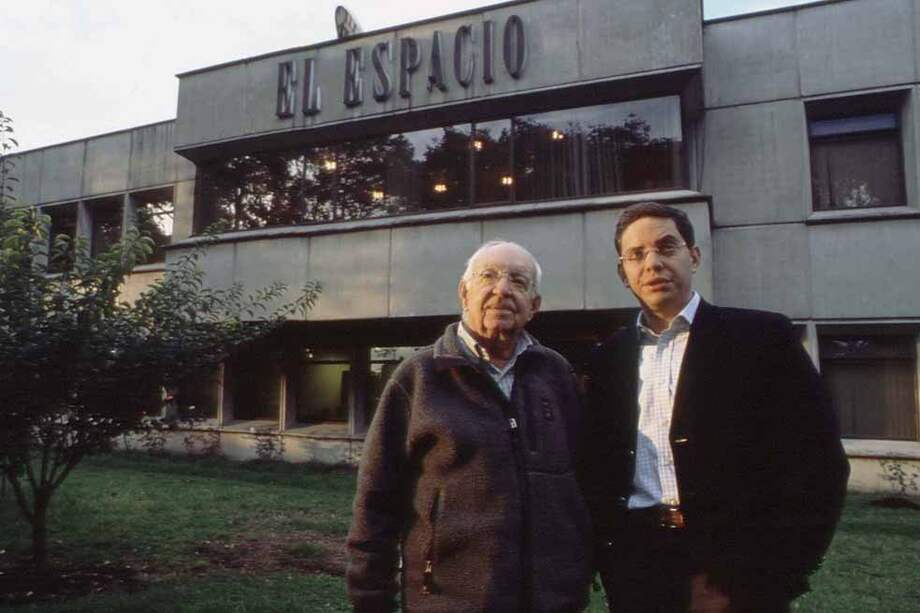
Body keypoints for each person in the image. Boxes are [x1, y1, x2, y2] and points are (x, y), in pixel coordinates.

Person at [581, 202, 849, 613]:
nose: (653, 263)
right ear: (624, 273)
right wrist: (610, 557)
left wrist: (767, 575)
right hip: (637, 571)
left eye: (666, 247)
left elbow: (820, 466)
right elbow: (597, 468)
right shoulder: (607, 359)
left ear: (693, 255)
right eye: (636, 255)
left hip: (735, 573)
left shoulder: (761, 339)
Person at [347, 240, 592, 613]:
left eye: (518, 281)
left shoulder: (556, 375)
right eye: (488, 277)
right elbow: (375, 500)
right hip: (448, 602)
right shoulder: (418, 378)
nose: (502, 289)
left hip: (552, 602)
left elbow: (584, 484)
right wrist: (371, 600)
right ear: (464, 292)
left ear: (534, 306)